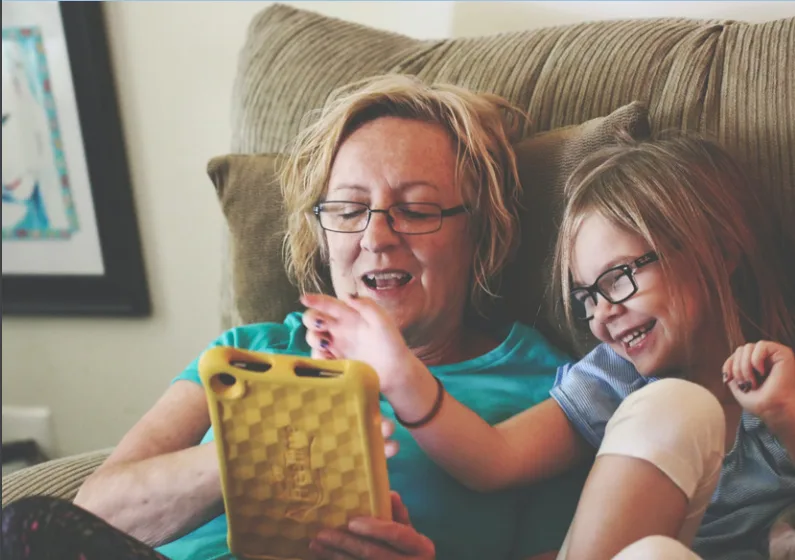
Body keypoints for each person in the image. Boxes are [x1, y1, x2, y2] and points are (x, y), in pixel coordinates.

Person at [1, 75, 587, 560]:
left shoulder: (547, 392)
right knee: (28, 527)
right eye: (349, 209)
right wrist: (261, 450)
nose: (376, 237)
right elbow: (95, 514)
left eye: (416, 209)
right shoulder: (249, 352)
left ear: (481, 232)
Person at [302, 134, 795, 559]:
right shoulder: (615, 379)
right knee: (671, 433)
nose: (602, 314)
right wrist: (399, 371)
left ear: (719, 249)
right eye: (587, 297)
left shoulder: (786, 388)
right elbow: (495, 458)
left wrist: (786, 414)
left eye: (618, 278)